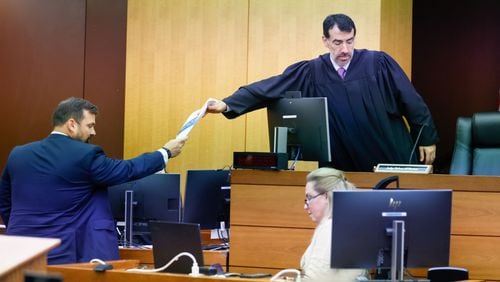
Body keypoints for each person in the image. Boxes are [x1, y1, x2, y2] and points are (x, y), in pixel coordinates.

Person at [206, 13, 438, 172]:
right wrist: (228, 104)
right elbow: (270, 88)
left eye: (350, 41)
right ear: (325, 40)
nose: (345, 49)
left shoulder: (378, 63)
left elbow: (411, 100)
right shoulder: (311, 71)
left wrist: (426, 138)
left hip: (387, 154)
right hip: (341, 162)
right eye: (337, 42)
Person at [0, 97, 187, 264]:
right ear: (72, 124)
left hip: (20, 253)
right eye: (90, 125)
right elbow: (127, 170)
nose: (94, 132)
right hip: (63, 253)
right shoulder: (85, 155)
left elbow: (5, 202)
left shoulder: (18, 154)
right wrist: (165, 152)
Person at [301, 167, 367, 281]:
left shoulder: (330, 228)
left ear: (326, 196)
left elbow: (315, 279)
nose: (305, 206)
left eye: (309, 197)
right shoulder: (348, 225)